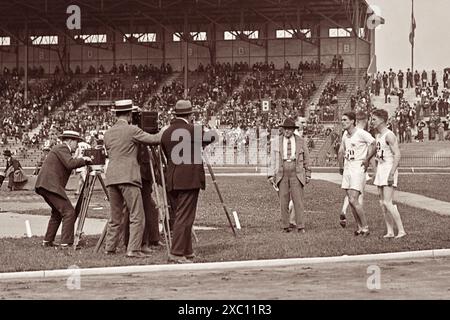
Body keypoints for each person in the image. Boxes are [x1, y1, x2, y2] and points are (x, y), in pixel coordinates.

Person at [103, 99, 162, 258]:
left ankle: (110, 248)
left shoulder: (107, 134)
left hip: (111, 177)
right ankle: (133, 249)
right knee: (137, 215)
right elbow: (154, 139)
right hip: (128, 176)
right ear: (129, 114)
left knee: (115, 216)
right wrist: (166, 131)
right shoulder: (132, 130)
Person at [161, 100, 216, 263]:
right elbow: (212, 137)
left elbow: (166, 152)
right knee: (185, 217)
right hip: (188, 179)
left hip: (172, 177)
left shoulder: (166, 132)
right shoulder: (193, 130)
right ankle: (177, 252)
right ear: (190, 115)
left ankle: (187, 250)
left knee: (181, 215)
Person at [35, 131, 92, 248]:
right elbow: (70, 164)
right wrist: (84, 160)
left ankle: (47, 241)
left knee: (57, 213)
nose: (77, 146)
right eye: (77, 142)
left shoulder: (60, 149)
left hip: (46, 185)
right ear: (70, 141)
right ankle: (66, 243)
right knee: (69, 212)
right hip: (51, 185)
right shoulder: (62, 147)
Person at [122, 106, 163, 251]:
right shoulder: (131, 132)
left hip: (143, 175)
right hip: (137, 175)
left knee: (149, 208)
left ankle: (152, 239)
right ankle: (141, 242)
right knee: (140, 209)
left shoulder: (136, 131)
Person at [365, 109, 406, 239]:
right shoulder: (378, 136)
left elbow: (397, 155)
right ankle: (390, 231)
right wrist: (368, 161)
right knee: (382, 203)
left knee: (388, 202)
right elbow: (377, 152)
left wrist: (392, 173)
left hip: (389, 168)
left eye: (374, 119)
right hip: (381, 168)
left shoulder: (389, 135)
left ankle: (401, 230)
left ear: (382, 120)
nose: (372, 121)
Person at [268, 118, 311, 233]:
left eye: (289, 129)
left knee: (298, 201)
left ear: (293, 130)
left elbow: (306, 158)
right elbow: (272, 159)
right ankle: (285, 226)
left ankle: (300, 226)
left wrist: (308, 173)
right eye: (285, 129)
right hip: (282, 173)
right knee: (283, 201)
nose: (287, 131)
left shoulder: (300, 141)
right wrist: (270, 175)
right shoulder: (276, 141)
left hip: (296, 172)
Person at [338, 111, 376, 236]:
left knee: (354, 199)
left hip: (358, 167)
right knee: (350, 200)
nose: (343, 122)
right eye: (342, 120)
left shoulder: (361, 133)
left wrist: (367, 158)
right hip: (348, 167)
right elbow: (343, 150)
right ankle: (359, 227)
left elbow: (373, 143)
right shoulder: (345, 134)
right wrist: (341, 165)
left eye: (345, 120)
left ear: (352, 121)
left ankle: (365, 227)